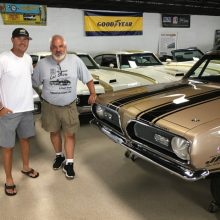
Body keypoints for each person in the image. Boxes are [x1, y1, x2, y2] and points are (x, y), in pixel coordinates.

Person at [32, 35, 96, 179]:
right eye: (55, 47)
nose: (58, 49)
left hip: (69, 106)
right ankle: (59, 156)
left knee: (70, 134)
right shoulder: (42, 64)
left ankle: (69, 163)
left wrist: (93, 93)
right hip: (50, 106)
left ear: (65, 47)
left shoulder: (75, 61)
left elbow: (88, 78)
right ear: (50, 48)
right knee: (54, 132)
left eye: (61, 46)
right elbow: (34, 82)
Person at [0, 28, 39, 196]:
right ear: (12, 40)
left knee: (25, 140)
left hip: (27, 109)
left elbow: (28, 78)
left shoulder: (28, 58)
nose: (23, 42)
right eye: (19, 38)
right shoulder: (3, 59)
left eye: (26, 39)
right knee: (8, 146)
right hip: (9, 111)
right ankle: (9, 179)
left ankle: (25, 167)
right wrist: (0, 108)